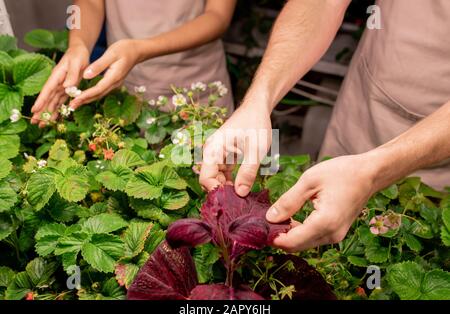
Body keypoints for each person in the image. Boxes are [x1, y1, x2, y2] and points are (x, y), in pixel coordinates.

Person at [199, 0, 450, 253]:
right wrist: (258, 99)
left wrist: (373, 172)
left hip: (438, 164)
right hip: (366, 103)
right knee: (321, 238)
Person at [31, 0, 236, 127]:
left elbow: (218, 17)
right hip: (127, 94)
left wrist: (141, 49)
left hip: (201, 91)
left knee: (216, 185)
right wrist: (78, 44)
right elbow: (88, 3)